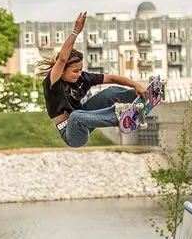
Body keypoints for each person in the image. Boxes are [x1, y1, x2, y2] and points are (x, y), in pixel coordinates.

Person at [36, 11, 147, 148]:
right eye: (75, 71)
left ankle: (140, 97)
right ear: (62, 70)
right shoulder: (53, 83)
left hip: (85, 116)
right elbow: (63, 58)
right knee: (76, 116)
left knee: (109, 92)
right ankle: (119, 117)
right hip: (71, 134)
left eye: (80, 70)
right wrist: (76, 31)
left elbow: (111, 78)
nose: (79, 74)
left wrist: (136, 85)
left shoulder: (83, 78)